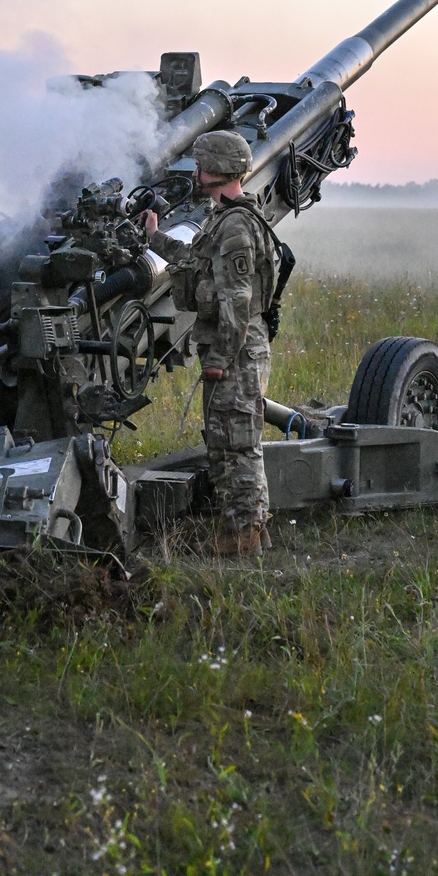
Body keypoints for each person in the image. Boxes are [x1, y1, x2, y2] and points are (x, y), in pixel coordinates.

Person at [144, 130, 280, 558]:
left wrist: (220, 358)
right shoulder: (224, 217)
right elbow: (195, 262)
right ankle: (251, 531)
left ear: (216, 169)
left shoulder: (237, 225)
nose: (195, 172)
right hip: (232, 346)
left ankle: (242, 536)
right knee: (227, 440)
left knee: (237, 444)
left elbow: (236, 302)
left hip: (236, 349)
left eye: (200, 164)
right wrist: (155, 238)